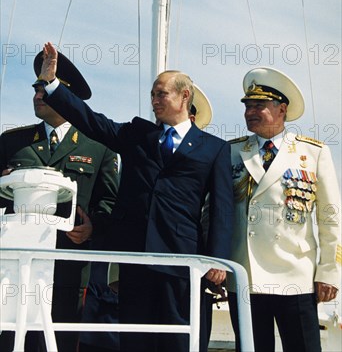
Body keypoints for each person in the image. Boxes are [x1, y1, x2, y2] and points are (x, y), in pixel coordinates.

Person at [39, 41, 234, 352]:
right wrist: (51, 84)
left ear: (184, 96)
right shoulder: (136, 135)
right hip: (135, 258)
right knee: (134, 342)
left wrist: (218, 260)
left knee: (179, 343)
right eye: (153, 94)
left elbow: (223, 210)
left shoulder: (214, 148)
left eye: (161, 93)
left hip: (182, 261)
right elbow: (91, 121)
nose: (154, 99)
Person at [0, 51, 119, 352]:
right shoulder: (11, 142)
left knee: (61, 342)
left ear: (68, 97)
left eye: (45, 89)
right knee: (11, 340)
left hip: (69, 267)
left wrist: (93, 228)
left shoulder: (100, 147)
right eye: (36, 89)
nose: (38, 95)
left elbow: (109, 202)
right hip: (13, 268)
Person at [226, 66, 341, 352]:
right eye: (247, 106)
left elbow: (330, 218)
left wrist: (329, 272)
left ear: (282, 109)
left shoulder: (313, 153)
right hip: (246, 276)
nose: (250, 112)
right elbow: (212, 214)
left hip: (296, 276)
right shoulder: (230, 152)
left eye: (259, 106)